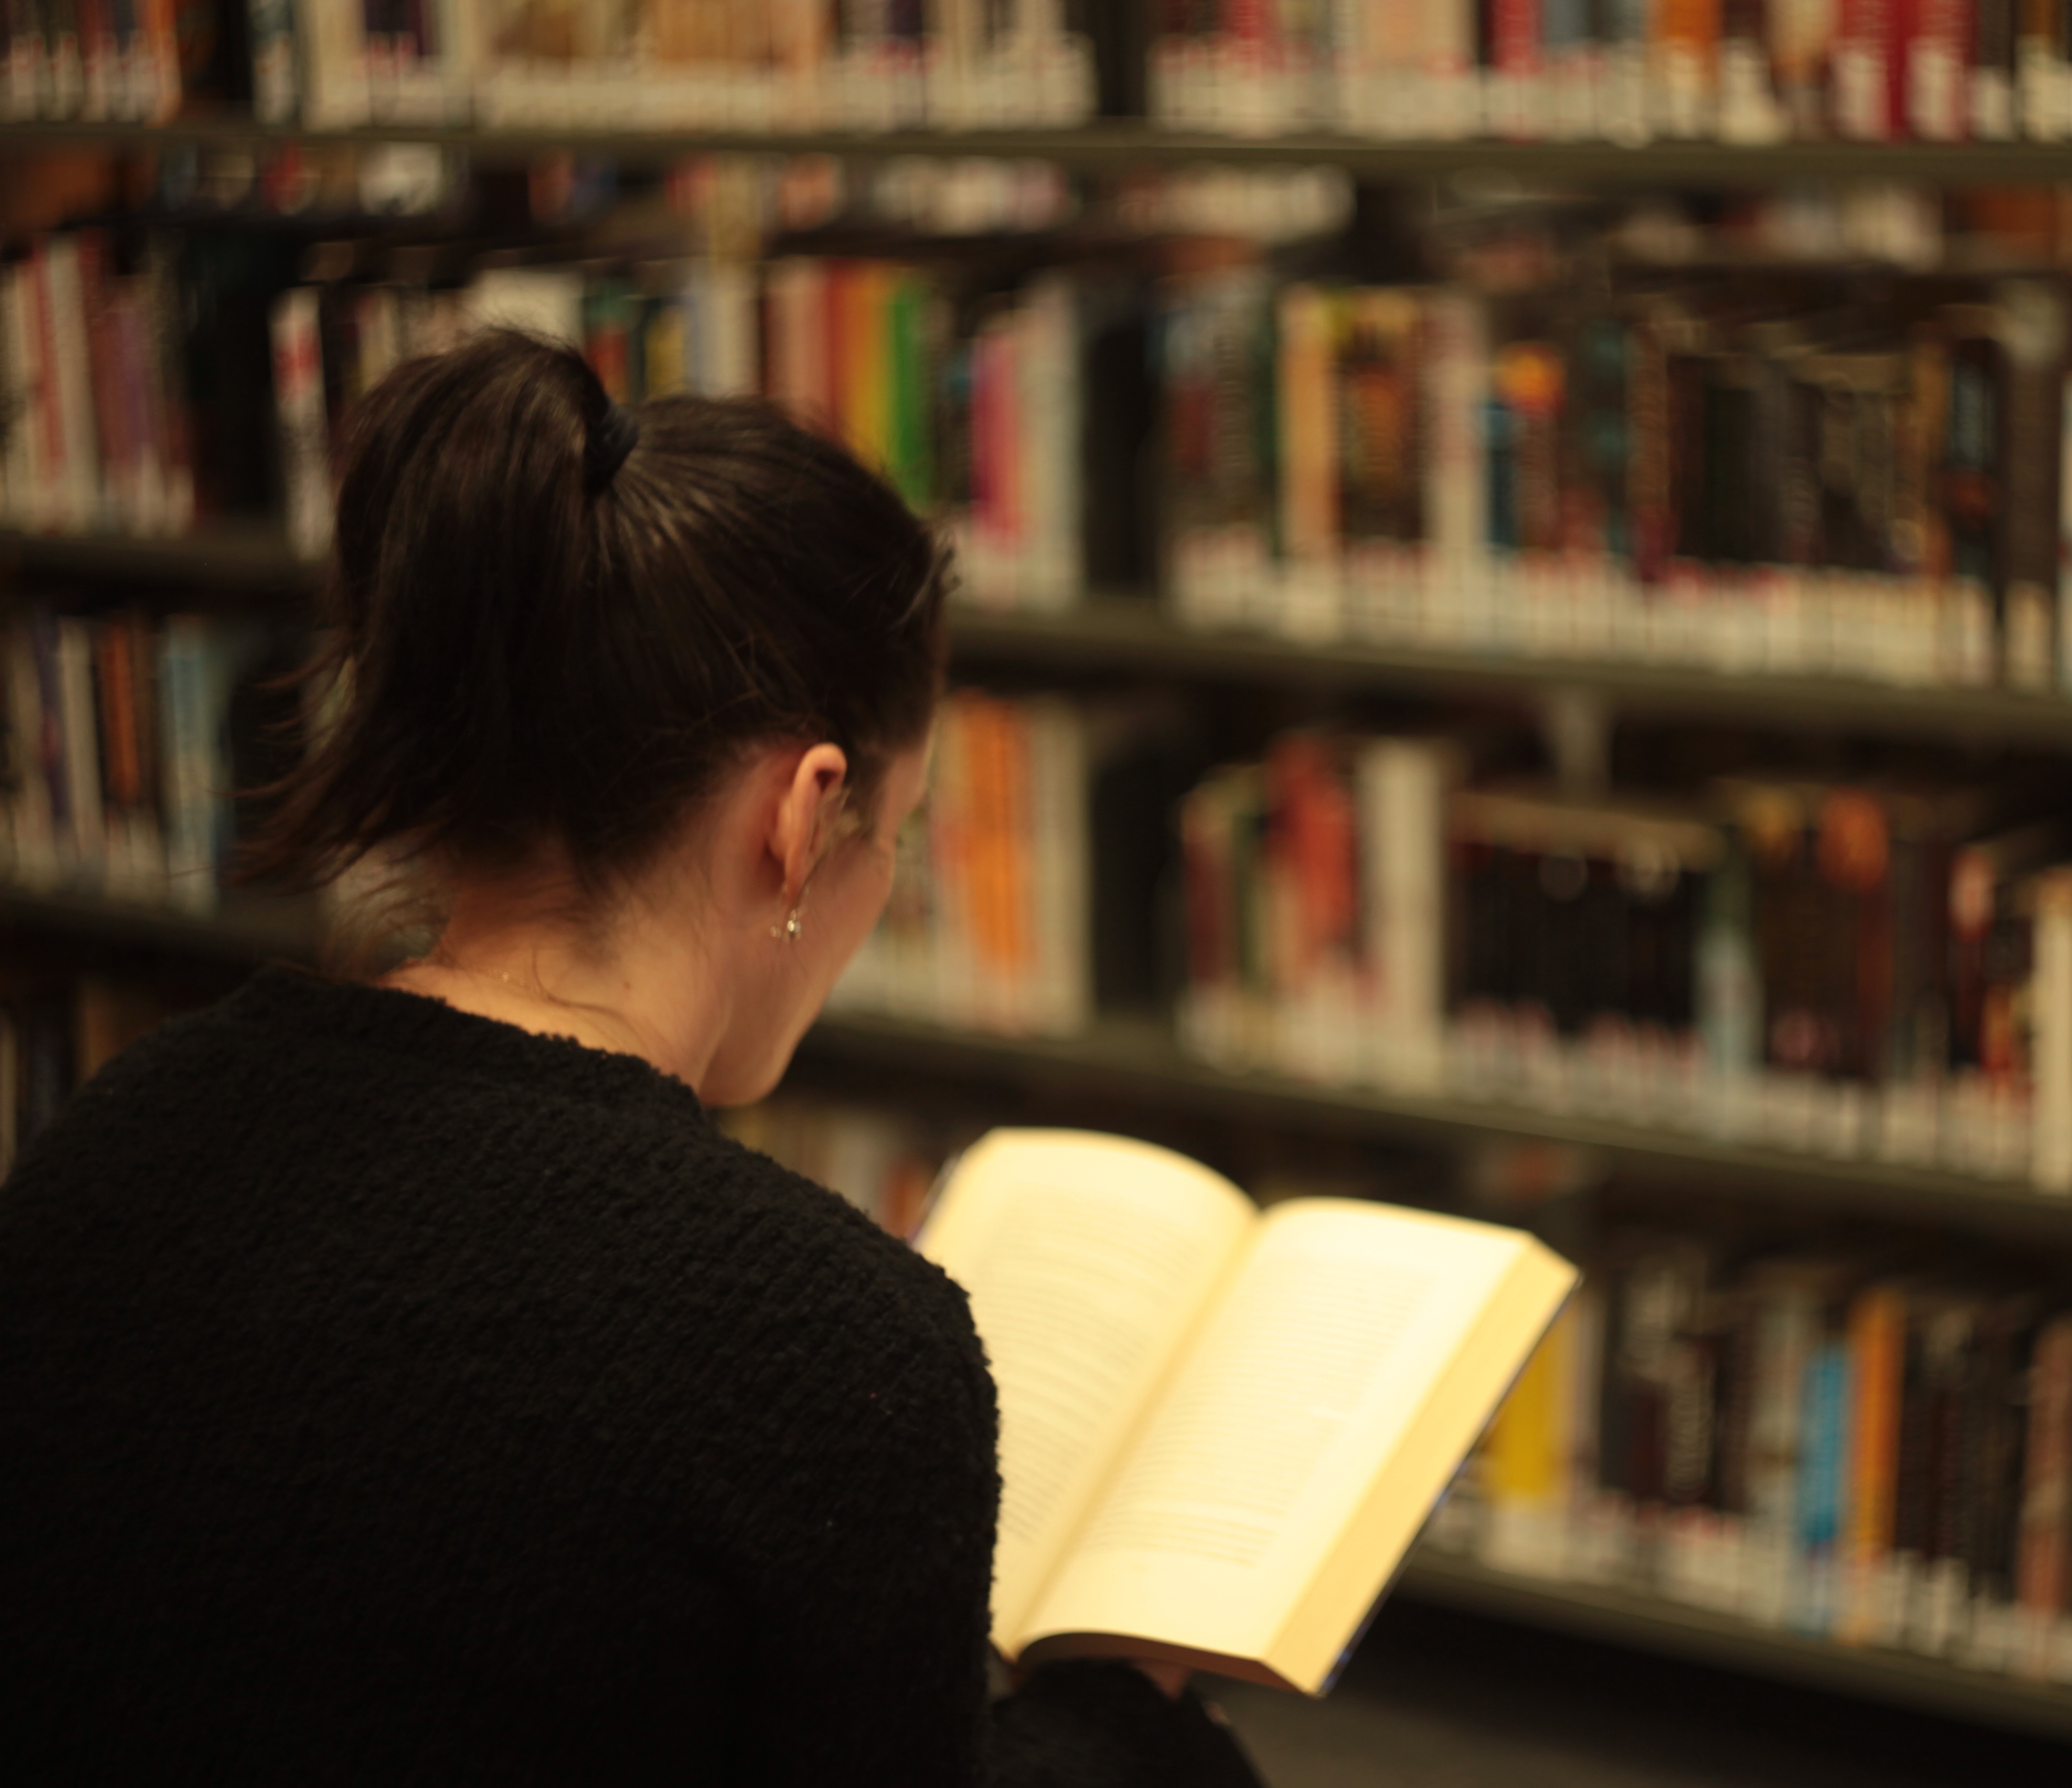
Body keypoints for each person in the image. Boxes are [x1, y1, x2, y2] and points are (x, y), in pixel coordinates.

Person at [0, 331, 1263, 1788]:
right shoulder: (824, 1349)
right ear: (801, 817)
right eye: (895, 844)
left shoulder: (120, 1137)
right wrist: (1135, 1736)